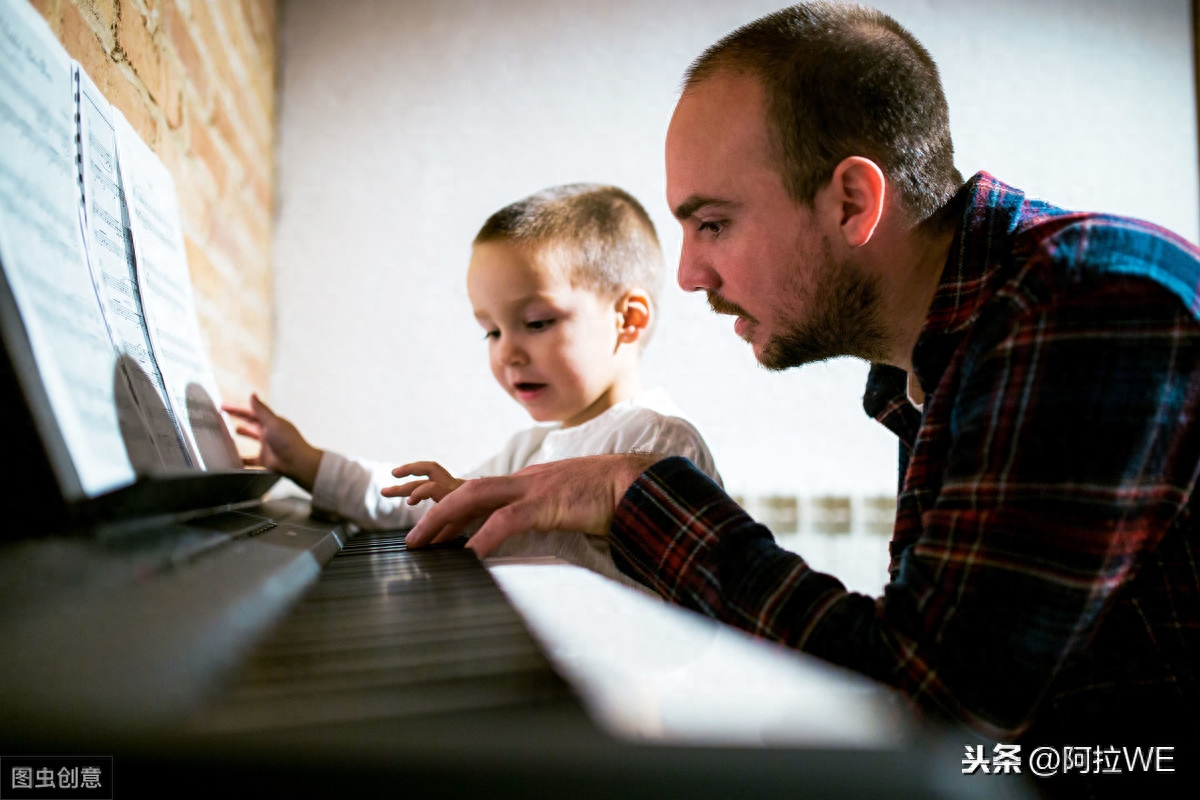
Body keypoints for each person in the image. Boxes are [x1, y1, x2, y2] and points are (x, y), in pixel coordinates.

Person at [403, 3, 1200, 794]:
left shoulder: (1086, 303)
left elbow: (940, 711)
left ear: (852, 201)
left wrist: (631, 492)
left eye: (712, 223)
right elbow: (922, 676)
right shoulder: (944, 356)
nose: (688, 275)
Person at [225, 183, 720, 589]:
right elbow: (420, 506)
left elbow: (686, 601)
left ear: (627, 320)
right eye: (492, 330)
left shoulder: (662, 446)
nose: (507, 352)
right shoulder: (529, 448)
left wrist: (478, 503)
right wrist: (307, 463)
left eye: (537, 321)